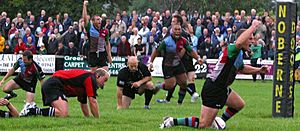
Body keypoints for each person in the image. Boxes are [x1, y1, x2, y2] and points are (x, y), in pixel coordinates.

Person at [159, 20, 269, 129]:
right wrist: (253, 26)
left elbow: (241, 68)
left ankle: (219, 121)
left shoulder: (239, 53)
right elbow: (239, 42)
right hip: (214, 88)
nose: (253, 41)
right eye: (250, 38)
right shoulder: (232, 48)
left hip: (222, 87)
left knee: (239, 104)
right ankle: (171, 121)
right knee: (203, 124)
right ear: (243, 38)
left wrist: (258, 70)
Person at [25, 68, 110, 118]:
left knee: (61, 114)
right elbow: (92, 101)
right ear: (98, 76)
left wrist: (88, 118)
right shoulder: (90, 78)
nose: (104, 83)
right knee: (63, 113)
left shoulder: (86, 81)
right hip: (54, 85)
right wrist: (97, 119)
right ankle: (32, 110)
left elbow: (83, 103)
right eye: (105, 80)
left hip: (55, 85)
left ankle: (33, 110)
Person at [148, 23, 202, 98]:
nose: (177, 31)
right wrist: (151, 62)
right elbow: (156, 51)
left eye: (179, 30)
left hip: (178, 64)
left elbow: (190, 51)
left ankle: (180, 103)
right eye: (175, 30)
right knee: (170, 85)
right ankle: (159, 86)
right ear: (171, 31)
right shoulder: (166, 41)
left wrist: (198, 58)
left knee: (183, 82)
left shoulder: (183, 41)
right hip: (168, 65)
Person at [0, 50, 45, 115]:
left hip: (30, 85)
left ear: (30, 60)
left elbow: (41, 80)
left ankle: (32, 105)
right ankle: (12, 95)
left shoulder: (36, 68)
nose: (23, 61)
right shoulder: (20, 60)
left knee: (27, 107)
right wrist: (3, 80)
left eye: (25, 60)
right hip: (20, 80)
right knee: (5, 89)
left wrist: (44, 94)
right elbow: (13, 69)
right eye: (23, 59)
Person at [82, 0, 112, 72]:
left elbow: (107, 43)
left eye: (100, 19)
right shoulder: (90, 28)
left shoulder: (105, 31)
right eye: (97, 19)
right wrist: (84, 6)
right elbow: (85, 19)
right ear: (93, 21)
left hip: (102, 53)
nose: (99, 21)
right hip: (92, 53)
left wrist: (109, 56)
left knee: (105, 73)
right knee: (94, 75)